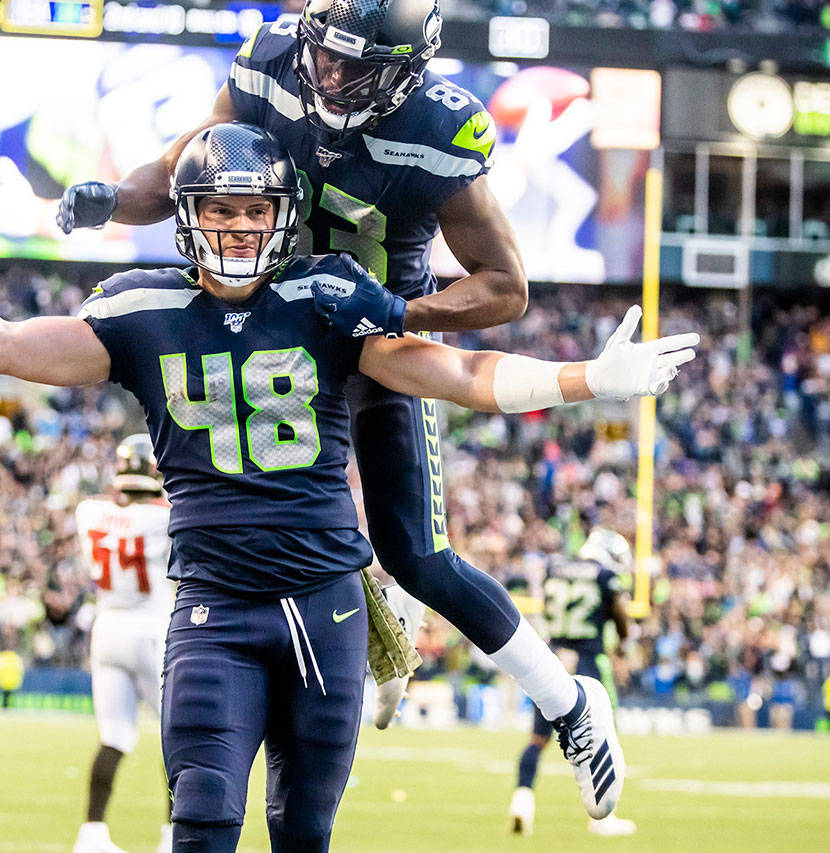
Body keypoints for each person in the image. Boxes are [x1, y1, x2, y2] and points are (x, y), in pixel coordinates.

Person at [0, 121, 696, 850]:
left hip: (326, 604)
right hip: (213, 607)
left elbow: (453, 373)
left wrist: (585, 377)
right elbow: (0, 345)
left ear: (285, 219)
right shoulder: (141, 308)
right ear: (187, 215)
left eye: (254, 211)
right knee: (200, 819)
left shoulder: (325, 295)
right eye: (219, 209)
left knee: (301, 831)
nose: (238, 228)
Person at [55, 1, 631, 800]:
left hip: (373, 338)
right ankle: (375, 630)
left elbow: (507, 289)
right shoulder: (270, 58)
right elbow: (187, 167)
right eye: (325, 55)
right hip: (274, 322)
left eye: (357, 66)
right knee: (261, 503)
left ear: (408, 73)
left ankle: (568, 704)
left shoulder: (437, 129)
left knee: (416, 551)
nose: (329, 75)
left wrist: (402, 309)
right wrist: (112, 200)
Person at [73, 434, 174, 853]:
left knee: (113, 736)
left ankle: (91, 834)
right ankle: (173, 836)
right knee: (177, 737)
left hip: (107, 627)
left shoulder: (89, 512)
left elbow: (113, 504)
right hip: (152, 628)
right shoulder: (162, 519)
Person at [508, 528, 637, 838]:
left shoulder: (554, 568)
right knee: (602, 738)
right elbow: (619, 614)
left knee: (537, 739)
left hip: (551, 660)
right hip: (588, 661)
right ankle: (603, 819)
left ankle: (522, 800)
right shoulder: (604, 575)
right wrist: (625, 642)